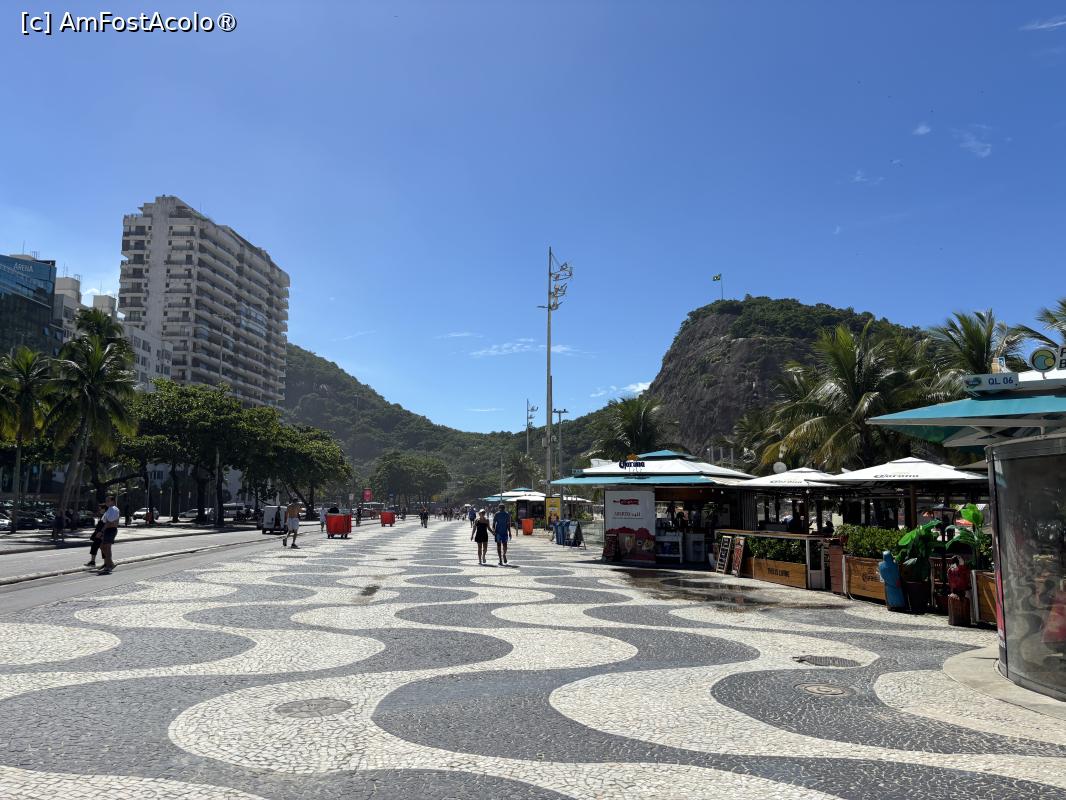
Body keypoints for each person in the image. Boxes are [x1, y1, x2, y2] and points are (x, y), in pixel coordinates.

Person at [98, 496, 120, 574]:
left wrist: (101, 531)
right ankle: (110, 563)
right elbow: (105, 520)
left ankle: (108, 566)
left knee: (107, 548)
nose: (106, 502)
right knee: (102, 546)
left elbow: (109, 522)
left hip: (111, 530)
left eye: (108, 500)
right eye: (106, 500)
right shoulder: (109, 509)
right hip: (108, 530)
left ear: (112, 501)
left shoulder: (113, 509)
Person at [84, 503, 107, 568]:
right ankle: (93, 562)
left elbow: (105, 525)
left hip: (101, 534)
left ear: (104, 509)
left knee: (102, 548)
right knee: (94, 547)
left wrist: (101, 533)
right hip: (98, 534)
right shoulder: (103, 515)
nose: (99, 510)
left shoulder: (106, 515)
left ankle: (105, 563)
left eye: (100, 509)